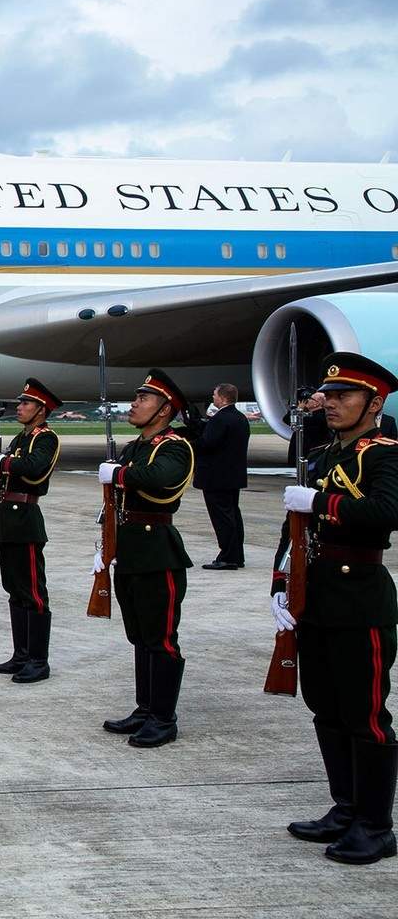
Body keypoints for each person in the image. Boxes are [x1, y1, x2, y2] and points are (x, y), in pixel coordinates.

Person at [277, 352, 398, 865]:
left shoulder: (385, 454)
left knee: (365, 715)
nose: (329, 402)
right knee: (325, 706)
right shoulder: (325, 454)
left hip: (359, 597)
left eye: (344, 395)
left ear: (375, 403)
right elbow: (293, 527)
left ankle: (375, 825)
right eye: (328, 394)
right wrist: (281, 583)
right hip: (317, 596)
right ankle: (344, 807)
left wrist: (321, 504)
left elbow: (388, 512)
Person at [98, 369, 195, 748]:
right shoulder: (136, 446)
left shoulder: (175, 446)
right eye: (136, 397)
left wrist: (119, 474)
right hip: (131, 548)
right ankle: (145, 707)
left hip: (158, 551)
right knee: (139, 636)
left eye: (144, 398)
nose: (135, 403)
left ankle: (163, 717)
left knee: (161, 638)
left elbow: (159, 480)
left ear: (164, 409)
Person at [0, 378, 63, 684]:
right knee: (15, 589)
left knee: (33, 592)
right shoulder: (21, 437)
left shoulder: (46, 439)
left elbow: (34, 470)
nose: (19, 408)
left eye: (25, 403)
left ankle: (38, 660)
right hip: (8, 518)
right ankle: (21, 654)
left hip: (26, 518)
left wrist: (4, 463)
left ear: (41, 410)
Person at [194, 383, 249, 570]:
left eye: (215, 395)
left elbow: (207, 444)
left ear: (223, 398)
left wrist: (188, 443)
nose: (213, 398)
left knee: (222, 519)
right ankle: (236, 555)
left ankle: (227, 557)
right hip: (233, 477)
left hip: (216, 477)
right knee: (233, 516)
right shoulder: (240, 418)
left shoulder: (220, 419)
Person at [286, 391, 332, 465]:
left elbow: (288, 420)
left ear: (316, 404)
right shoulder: (319, 415)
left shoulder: (318, 417)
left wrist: (298, 409)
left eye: (310, 399)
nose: (307, 401)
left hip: (309, 454)